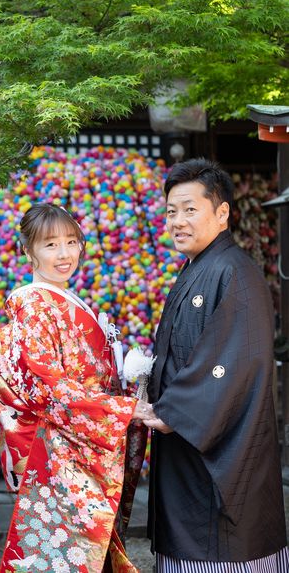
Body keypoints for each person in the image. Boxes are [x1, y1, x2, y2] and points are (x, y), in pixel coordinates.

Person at [0, 203, 149, 572]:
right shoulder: (33, 305)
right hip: (62, 446)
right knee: (66, 556)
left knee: (81, 554)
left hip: (81, 439)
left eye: (71, 242)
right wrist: (123, 409)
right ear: (27, 250)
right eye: (51, 245)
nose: (64, 255)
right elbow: (50, 386)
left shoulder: (62, 299)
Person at [142, 158, 288, 571]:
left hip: (219, 447)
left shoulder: (233, 271)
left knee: (217, 545)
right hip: (186, 444)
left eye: (190, 209)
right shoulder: (198, 269)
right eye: (171, 211)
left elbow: (234, 362)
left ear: (222, 213)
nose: (177, 221)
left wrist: (173, 411)